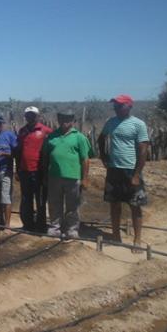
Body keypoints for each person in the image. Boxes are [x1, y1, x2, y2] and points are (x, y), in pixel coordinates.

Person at [98, 94, 149, 251]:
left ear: (129, 106)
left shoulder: (138, 124)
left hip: (131, 170)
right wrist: (104, 157)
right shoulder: (111, 122)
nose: (116, 108)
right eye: (115, 106)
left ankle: (137, 240)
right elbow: (101, 139)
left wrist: (136, 174)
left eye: (120, 105)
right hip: (114, 169)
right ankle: (116, 237)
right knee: (114, 204)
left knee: (135, 205)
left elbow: (143, 150)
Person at [42, 110, 91, 239]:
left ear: (73, 120)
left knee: (72, 205)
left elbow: (85, 159)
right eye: (62, 118)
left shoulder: (79, 137)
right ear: (58, 119)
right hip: (54, 176)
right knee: (54, 203)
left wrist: (85, 179)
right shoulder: (52, 137)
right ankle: (55, 227)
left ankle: (72, 229)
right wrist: (45, 175)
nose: (65, 121)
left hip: (73, 177)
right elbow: (45, 157)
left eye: (68, 119)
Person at [16, 106, 53, 232]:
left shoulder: (46, 131)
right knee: (26, 199)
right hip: (24, 170)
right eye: (28, 115)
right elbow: (18, 151)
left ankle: (41, 225)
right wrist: (18, 169)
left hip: (40, 172)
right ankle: (28, 225)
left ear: (38, 116)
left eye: (33, 115)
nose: (30, 117)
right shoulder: (22, 131)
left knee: (41, 199)